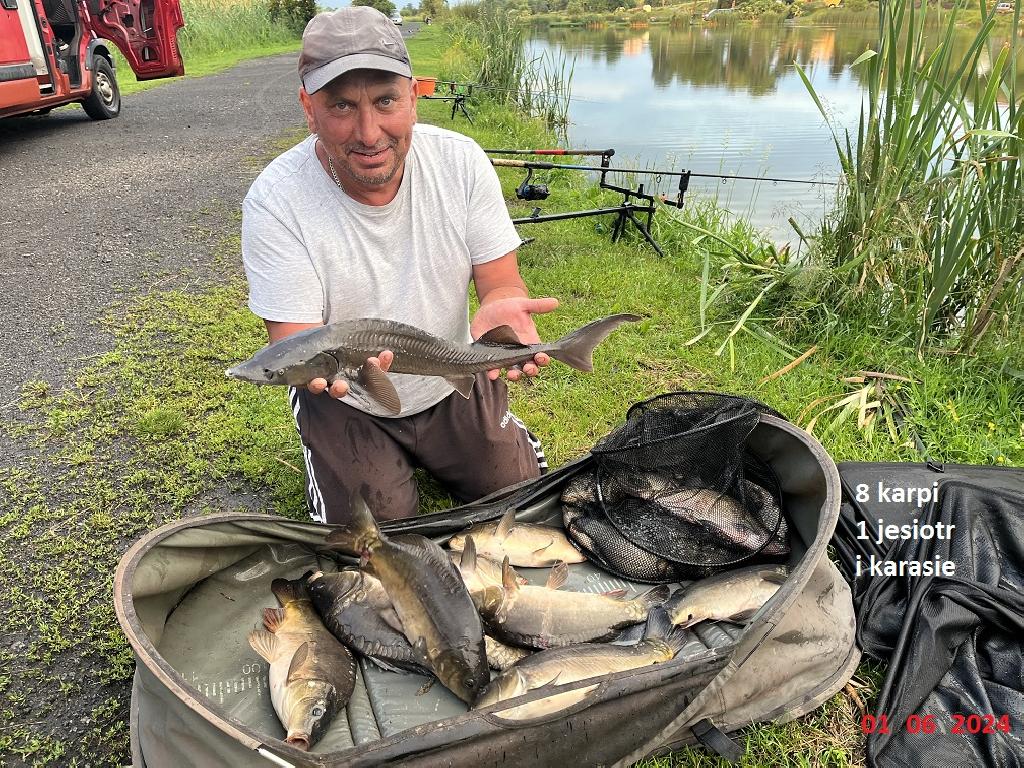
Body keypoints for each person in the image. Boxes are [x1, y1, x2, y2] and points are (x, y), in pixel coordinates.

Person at [241, 6, 555, 526]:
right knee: (375, 537)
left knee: (519, 500)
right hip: (348, 397)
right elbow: (293, 342)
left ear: (414, 96)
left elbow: (501, 281)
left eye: (385, 100)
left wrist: (503, 303)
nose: (369, 133)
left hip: (449, 372)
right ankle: (360, 459)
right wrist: (344, 379)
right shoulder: (276, 201)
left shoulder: (461, 162)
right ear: (308, 108)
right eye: (342, 106)